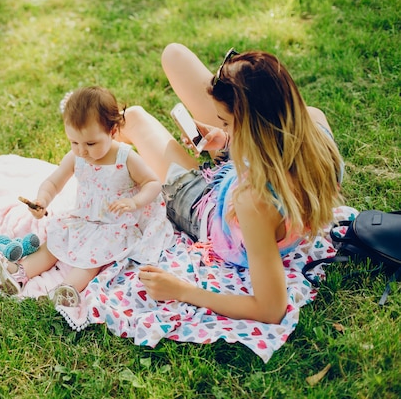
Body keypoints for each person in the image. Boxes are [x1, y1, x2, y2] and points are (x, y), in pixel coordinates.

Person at [118, 43, 344, 324]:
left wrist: (182, 291)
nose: (223, 128)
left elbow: (271, 309)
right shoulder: (314, 123)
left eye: (226, 123)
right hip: (247, 171)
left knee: (134, 119)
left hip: (208, 208)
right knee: (174, 54)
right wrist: (225, 141)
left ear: (250, 128)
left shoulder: (255, 202)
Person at [0, 86, 174, 307]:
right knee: (54, 242)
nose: (82, 151)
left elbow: (152, 183)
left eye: (90, 144)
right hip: (84, 217)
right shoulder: (76, 157)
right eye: (74, 143)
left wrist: (134, 202)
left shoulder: (125, 158)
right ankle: (17, 272)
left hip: (116, 224)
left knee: (92, 257)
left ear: (112, 132)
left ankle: (67, 289)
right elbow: (53, 182)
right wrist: (42, 200)